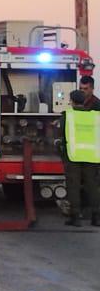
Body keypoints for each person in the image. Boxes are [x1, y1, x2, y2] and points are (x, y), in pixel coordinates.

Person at [60, 89, 100, 227]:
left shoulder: (67, 116)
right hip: (91, 156)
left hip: (73, 156)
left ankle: (75, 217)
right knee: (93, 187)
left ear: (72, 101)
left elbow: (62, 134)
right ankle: (97, 217)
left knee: (74, 187)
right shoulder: (95, 116)